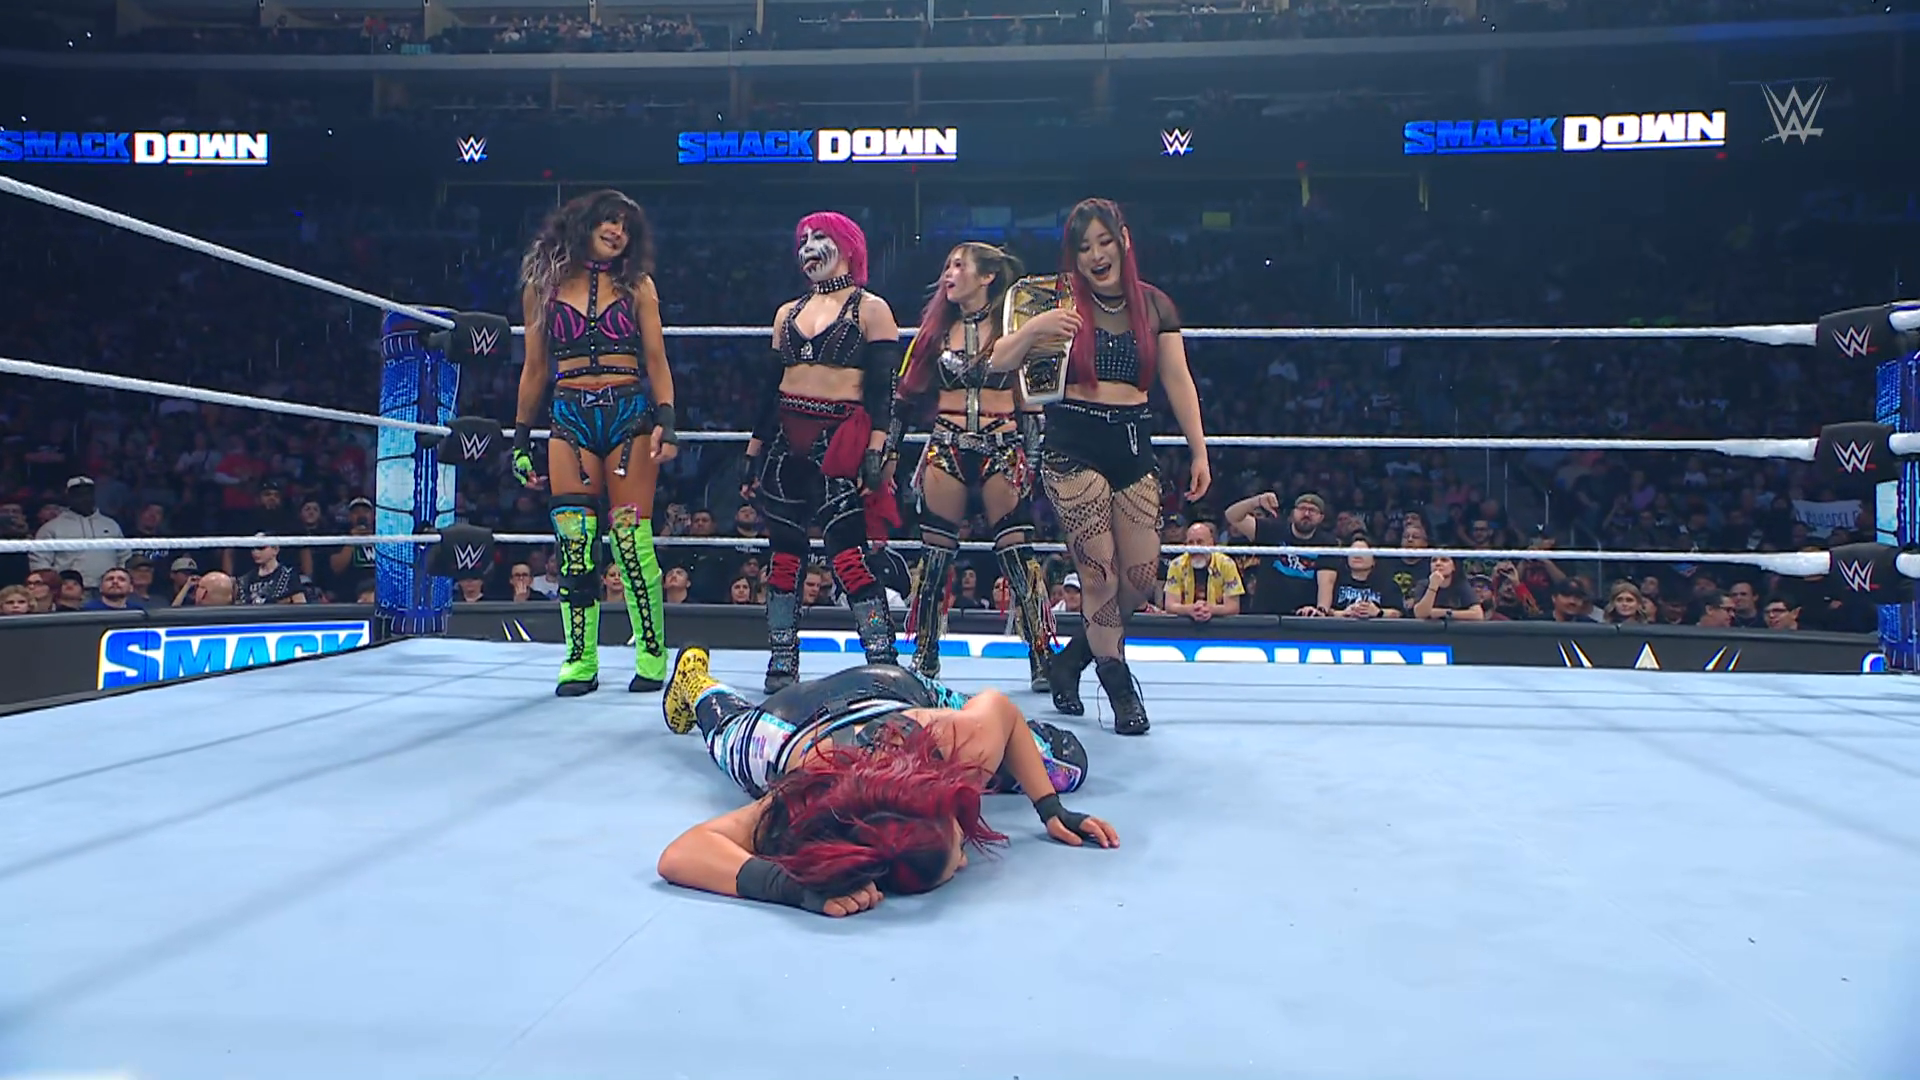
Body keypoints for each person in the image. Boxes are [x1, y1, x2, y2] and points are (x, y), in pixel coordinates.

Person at [657, 647, 1115, 916]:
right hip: (789, 727)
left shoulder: (954, 744)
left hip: (890, 691)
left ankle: (698, 684)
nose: (965, 862)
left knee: (1066, 765)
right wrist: (792, 887)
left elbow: (1001, 708)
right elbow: (681, 855)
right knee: (728, 732)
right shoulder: (813, 794)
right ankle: (697, 685)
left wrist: (1050, 808)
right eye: (961, 849)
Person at [996, 198, 1210, 735]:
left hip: (1133, 441)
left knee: (1137, 580)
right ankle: (1119, 688)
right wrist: (1036, 328)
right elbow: (998, 360)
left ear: (1124, 241)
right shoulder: (1057, 300)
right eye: (1084, 247)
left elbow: (1177, 379)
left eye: (1104, 242)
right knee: (1098, 575)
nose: (1096, 255)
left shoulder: (1154, 305)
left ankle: (1071, 660)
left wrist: (1199, 449)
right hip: (1074, 440)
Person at [512, 190, 679, 697]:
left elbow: (656, 359)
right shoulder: (542, 285)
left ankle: (651, 655)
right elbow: (535, 367)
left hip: (627, 412)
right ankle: (579, 660)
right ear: (585, 223)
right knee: (574, 542)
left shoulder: (638, 286)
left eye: (625, 226)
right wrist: (520, 437)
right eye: (609, 221)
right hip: (569, 414)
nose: (617, 231)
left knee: (631, 541)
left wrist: (667, 421)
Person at [742, 212, 906, 692]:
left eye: (821, 237)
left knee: (848, 554)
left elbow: (884, 390)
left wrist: (878, 448)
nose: (809, 246)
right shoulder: (786, 313)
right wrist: (753, 449)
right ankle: (782, 660)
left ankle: (883, 658)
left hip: (839, 438)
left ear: (848, 246)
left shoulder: (870, 309)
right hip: (785, 437)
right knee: (784, 556)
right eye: (804, 239)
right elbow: (769, 388)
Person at [894, 242, 1064, 691]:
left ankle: (1042, 654)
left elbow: (1033, 404)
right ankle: (925, 652)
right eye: (946, 266)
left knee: (1018, 554)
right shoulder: (933, 331)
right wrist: (886, 452)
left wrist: (1035, 464)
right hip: (946, 445)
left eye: (958, 265)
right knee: (934, 556)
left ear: (987, 276)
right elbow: (905, 396)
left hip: (1002, 446)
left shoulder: (1014, 330)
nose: (948, 274)